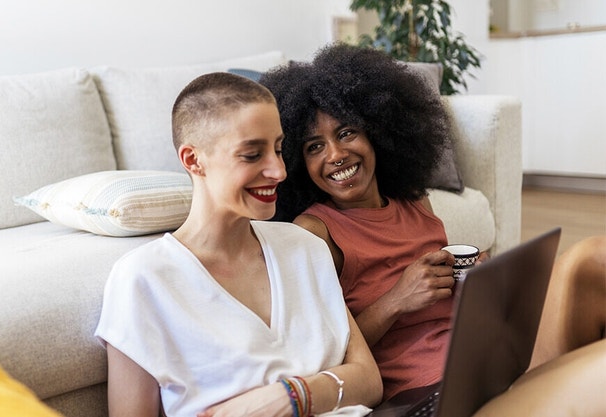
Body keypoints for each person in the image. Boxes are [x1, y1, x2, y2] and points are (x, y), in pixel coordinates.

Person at [258, 43, 606, 407]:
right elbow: (319, 355)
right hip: (434, 394)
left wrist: (480, 285)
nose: (335, 154)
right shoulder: (316, 232)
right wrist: (397, 300)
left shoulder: (415, 203)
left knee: (591, 262)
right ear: (298, 161)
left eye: (346, 133)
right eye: (314, 147)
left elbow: (445, 305)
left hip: (490, 359)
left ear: (376, 131)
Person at [94, 72, 383, 417]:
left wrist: (290, 396)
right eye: (251, 155)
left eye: (278, 149)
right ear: (193, 160)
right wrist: (330, 385)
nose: (278, 171)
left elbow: (370, 382)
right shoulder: (143, 279)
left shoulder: (305, 248)